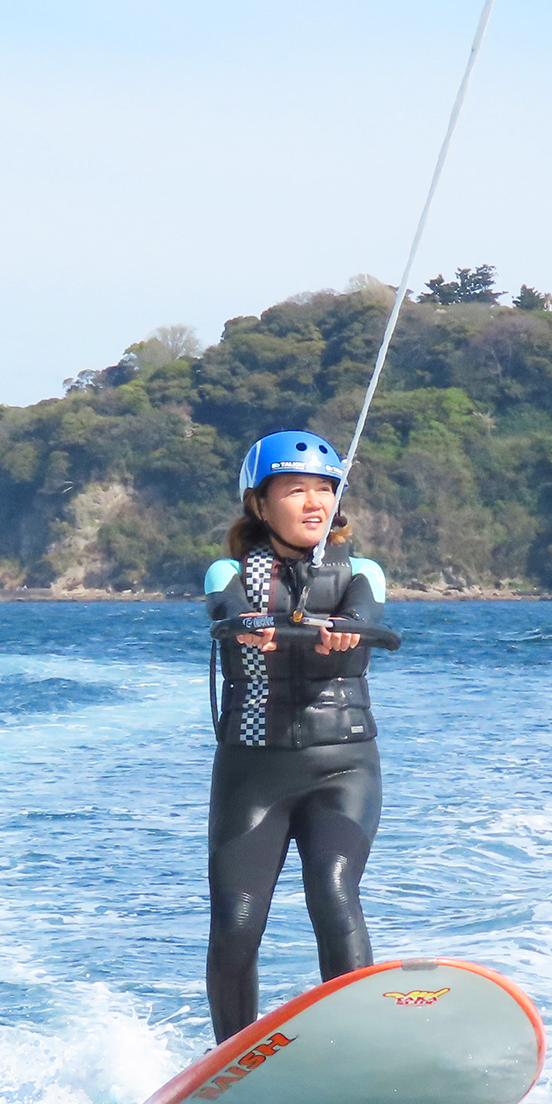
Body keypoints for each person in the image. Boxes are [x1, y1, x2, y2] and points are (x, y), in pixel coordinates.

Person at [203, 430, 389, 1043]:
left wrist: (349, 631)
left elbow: (366, 614)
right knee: (235, 922)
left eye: (324, 491)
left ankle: (357, 1044)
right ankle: (233, 1060)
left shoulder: (362, 571)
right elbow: (225, 607)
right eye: (297, 490)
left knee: (334, 895)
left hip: (343, 769)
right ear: (259, 504)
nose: (315, 503)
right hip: (253, 773)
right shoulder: (228, 571)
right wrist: (246, 626)